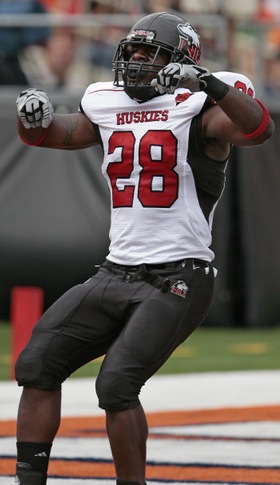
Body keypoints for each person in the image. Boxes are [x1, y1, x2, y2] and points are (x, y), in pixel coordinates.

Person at [14, 11, 274, 485]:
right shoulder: (107, 102)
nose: (135, 60)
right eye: (131, 51)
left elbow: (258, 129)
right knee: (37, 361)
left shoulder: (199, 106)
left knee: (115, 385)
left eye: (148, 52)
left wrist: (210, 84)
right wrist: (33, 121)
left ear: (182, 61)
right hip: (117, 270)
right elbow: (55, 136)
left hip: (180, 274)